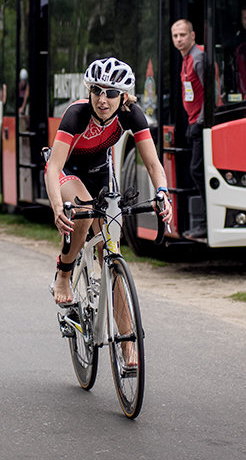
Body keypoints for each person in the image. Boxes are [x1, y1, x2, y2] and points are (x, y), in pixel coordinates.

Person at [45, 57, 172, 364]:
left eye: (111, 93)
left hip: (101, 174)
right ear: (89, 91)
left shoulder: (132, 114)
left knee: (111, 252)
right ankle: (64, 273)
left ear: (123, 96)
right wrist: (58, 206)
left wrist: (162, 193)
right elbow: (53, 167)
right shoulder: (76, 114)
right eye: (97, 91)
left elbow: (153, 163)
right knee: (84, 209)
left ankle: (127, 344)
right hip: (68, 173)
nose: (103, 100)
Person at [171, 19, 208, 239]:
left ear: (192, 35)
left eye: (183, 35)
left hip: (201, 124)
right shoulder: (186, 58)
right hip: (193, 121)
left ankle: (206, 222)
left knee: (197, 171)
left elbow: (211, 92)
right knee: (195, 170)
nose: (179, 40)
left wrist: (200, 122)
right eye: (175, 36)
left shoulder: (198, 58)